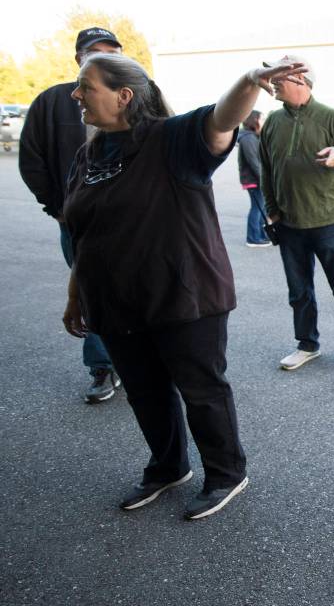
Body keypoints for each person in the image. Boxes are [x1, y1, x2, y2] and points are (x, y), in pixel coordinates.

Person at [61, 53, 304, 519]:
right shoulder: (87, 155)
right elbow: (83, 233)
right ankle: (168, 467)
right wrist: (76, 296)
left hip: (183, 296)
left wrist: (251, 80)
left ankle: (225, 472)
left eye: (85, 86)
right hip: (114, 302)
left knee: (200, 389)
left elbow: (221, 119)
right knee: (144, 389)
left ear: (123, 95)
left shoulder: (170, 140)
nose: (77, 95)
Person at [19, 27, 122, 403]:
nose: (104, 58)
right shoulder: (53, 102)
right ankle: (102, 367)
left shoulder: (136, 98)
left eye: (112, 52)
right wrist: (59, 209)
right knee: (91, 288)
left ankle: (140, 360)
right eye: (96, 52)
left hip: (130, 223)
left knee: (137, 286)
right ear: (78, 58)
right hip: (77, 222)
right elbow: (32, 160)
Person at [259, 55, 334, 374]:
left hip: (329, 221)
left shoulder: (331, 117)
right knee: (299, 291)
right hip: (289, 224)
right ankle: (307, 345)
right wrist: (272, 210)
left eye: (278, 77)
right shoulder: (272, 122)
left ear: (299, 80)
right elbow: (266, 169)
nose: (273, 83)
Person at [237, 110, 271, 247]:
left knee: (261, 208)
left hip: (256, 179)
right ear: (254, 120)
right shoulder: (248, 139)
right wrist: (265, 180)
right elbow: (254, 163)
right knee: (257, 209)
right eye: (262, 119)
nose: (264, 121)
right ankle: (253, 238)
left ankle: (261, 235)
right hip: (254, 180)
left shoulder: (253, 137)